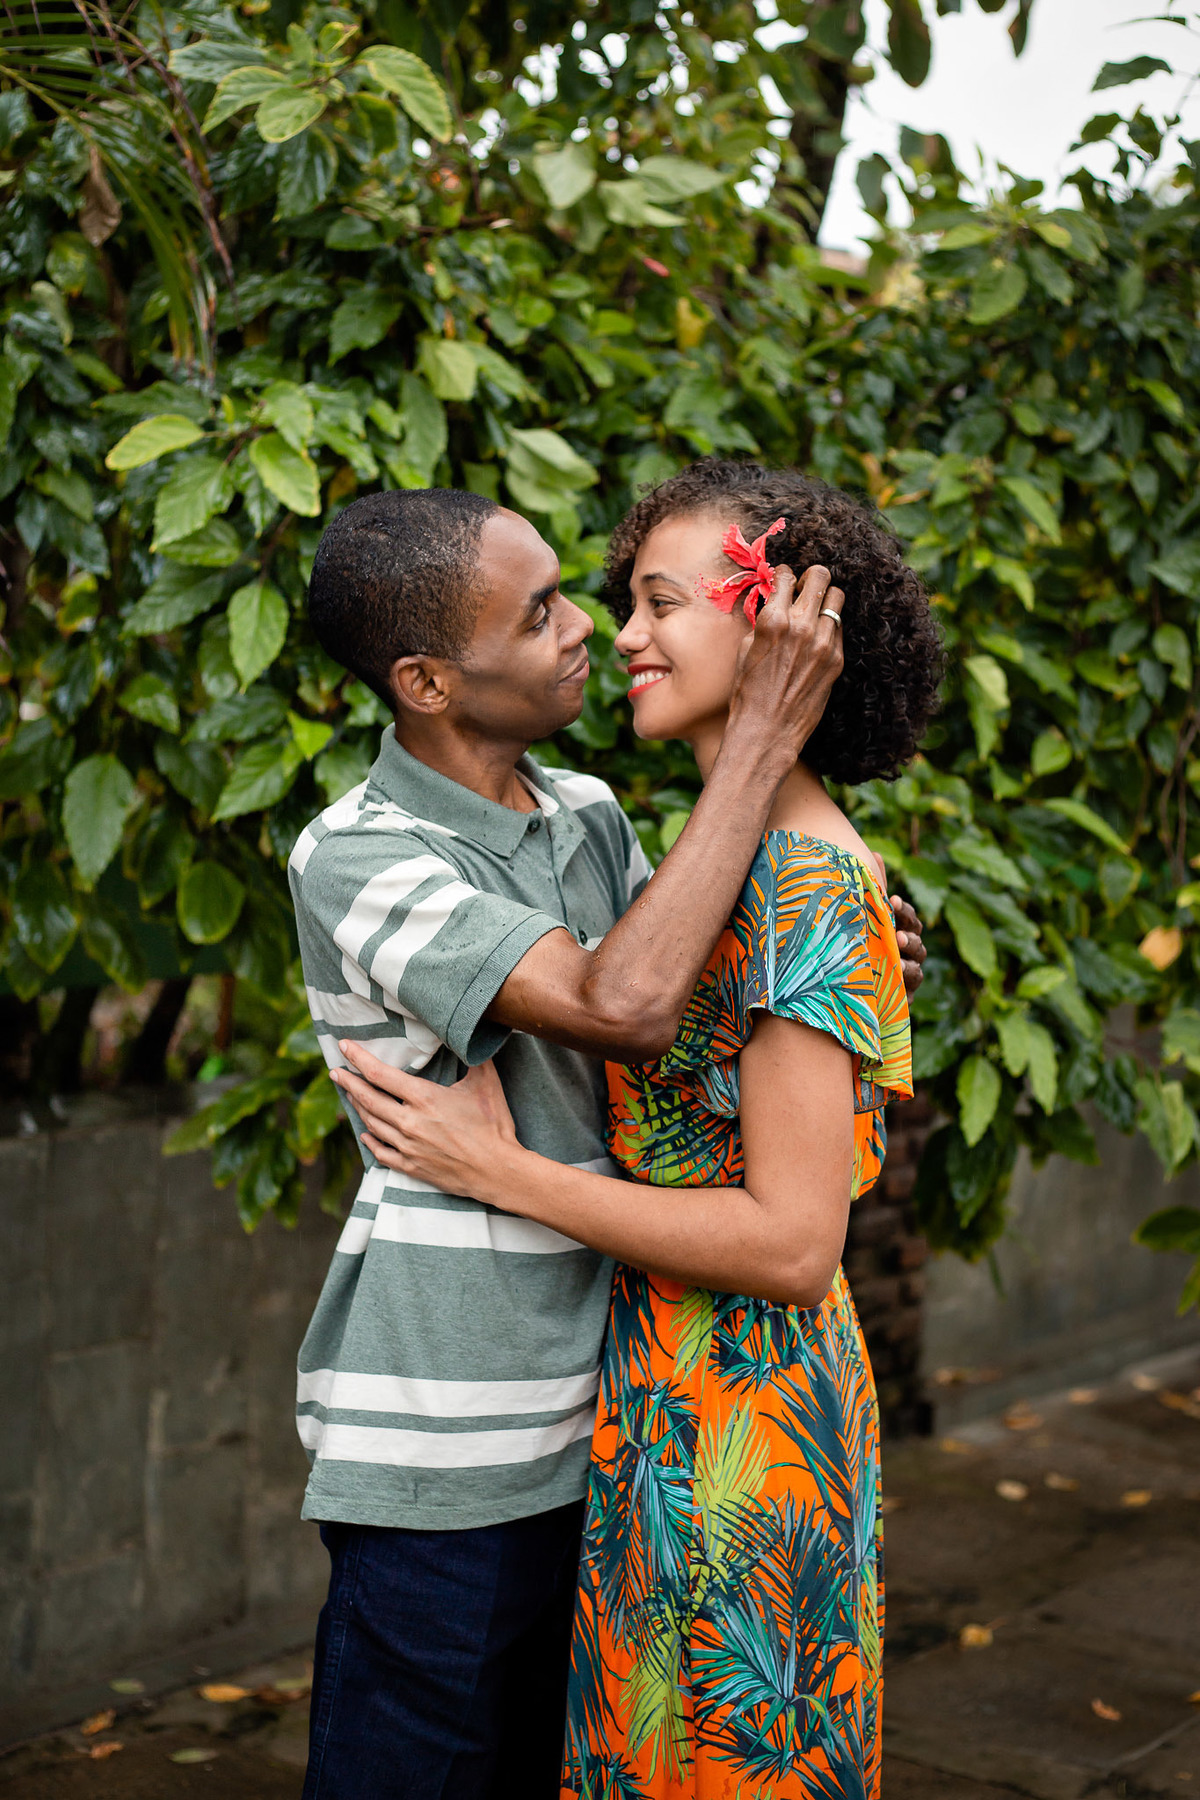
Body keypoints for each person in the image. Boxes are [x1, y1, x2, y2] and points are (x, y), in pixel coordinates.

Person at [329, 462, 942, 1800]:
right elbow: (641, 994)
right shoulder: (652, 853)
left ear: (779, 629)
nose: (612, 635)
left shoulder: (727, 855)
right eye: (582, 606)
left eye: (658, 600)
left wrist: (501, 1169)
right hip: (630, 1405)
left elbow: (790, 1241)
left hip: (737, 1418)